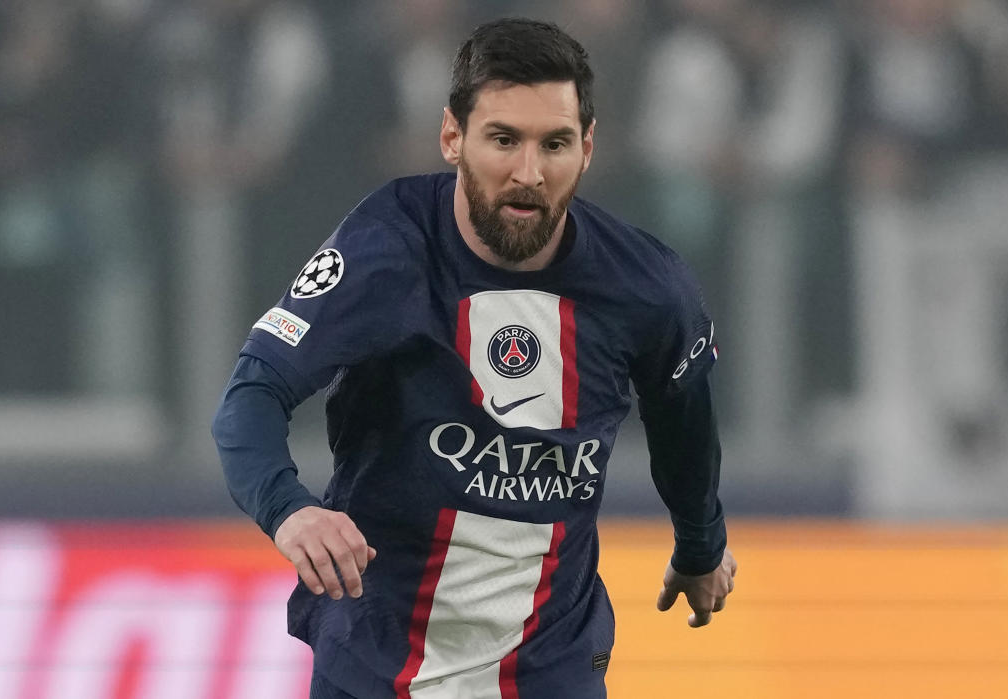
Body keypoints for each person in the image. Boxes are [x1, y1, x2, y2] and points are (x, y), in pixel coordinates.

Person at [212, 17, 737, 698]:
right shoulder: (384, 249)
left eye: (554, 144)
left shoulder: (647, 289)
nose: (528, 172)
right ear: (451, 137)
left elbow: (685, 424)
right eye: (503, 140)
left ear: (587, 150)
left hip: (550, 667)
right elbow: (251, 393)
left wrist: (701, 546)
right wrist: (290, 509)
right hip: (376, 662)